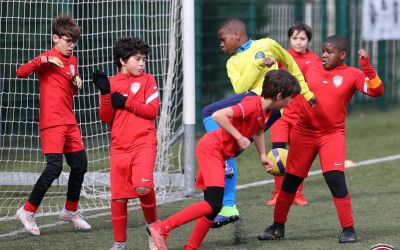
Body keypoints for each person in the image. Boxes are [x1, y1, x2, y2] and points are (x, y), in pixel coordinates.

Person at [148, 69, 301, 250]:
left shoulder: (266, 111)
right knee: (214, 204)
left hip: (219, 154)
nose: (290, 102)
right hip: (211, 150)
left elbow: (258, 130)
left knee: (212, 208)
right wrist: (238, 137)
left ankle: (191, 247)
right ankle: (161, 228)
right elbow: (218, 115)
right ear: (279, 95)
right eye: (290, 98)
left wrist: (262, 155)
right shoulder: (252, 104)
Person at [258, 35, 384, 243]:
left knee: (335, 180)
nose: (324, 54)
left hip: (332, 135)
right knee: (290, 182)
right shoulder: (311, 68)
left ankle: (348, 228)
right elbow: (288, 79)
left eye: (329, 52)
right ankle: (277, 226)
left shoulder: (353, 74)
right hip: (304, 132)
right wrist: (273, 66)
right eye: (323, 50)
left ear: (342, 55)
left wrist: (368, 68)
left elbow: (377, 91)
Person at [201, 18, 317, 228]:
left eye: (222, 39)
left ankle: (224, 169)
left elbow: (291, 65)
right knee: (225, 151)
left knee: (209, 112)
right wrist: (257, 64)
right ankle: (229, 208)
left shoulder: (267, 44)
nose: (220, 44)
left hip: (264, 106)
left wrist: (306, 93)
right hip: (250, 103)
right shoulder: (232, 62)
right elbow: (240, 87)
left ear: (236, 35)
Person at [15, 15, 90, 236]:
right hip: (52, 123)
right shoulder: (46, 58)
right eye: (67, 40)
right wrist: (43, 61)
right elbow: (20, 72)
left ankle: (70, 211)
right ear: (55, 38)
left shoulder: (73, 61)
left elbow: (71, 88)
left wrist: (77, 84)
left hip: (70, 121)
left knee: (80, 165)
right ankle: (27, 211)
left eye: (74, 42)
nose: (71, 45)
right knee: (54, 168)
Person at [92, 37, 160, 250]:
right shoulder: (111, 84)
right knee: (119, 198)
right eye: (137, 59)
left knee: (142, 186)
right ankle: (120, 244)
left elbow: (152, 111)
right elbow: (105, 117)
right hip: (119, 147)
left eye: (144, 59)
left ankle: (154, 229)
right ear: (122, 60)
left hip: (144, 143)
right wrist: (105, 94)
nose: (142, 63)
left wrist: (126, 102)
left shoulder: (149, 80)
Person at [267, 23, 321, 206]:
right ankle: (277, 193)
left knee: (298, 156)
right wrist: (268, 64)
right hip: (280, 115)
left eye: (302, 39)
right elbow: (271, 73)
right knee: (277, 153)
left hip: (301, 116)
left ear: (308, 40)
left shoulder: (314, 60)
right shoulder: (283, 56)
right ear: (289, 39)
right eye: (295, 38)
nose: (298, 42)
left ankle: (297, 193)